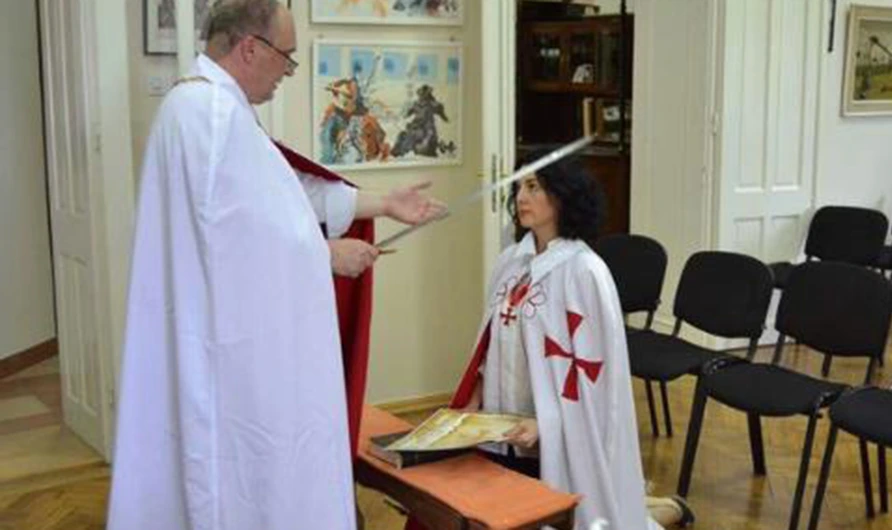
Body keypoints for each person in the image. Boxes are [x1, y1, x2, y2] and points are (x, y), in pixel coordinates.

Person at [106, 2, 444, 530]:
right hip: (232, 350)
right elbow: (237, 242)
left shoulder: (209, 107)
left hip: (217, 332)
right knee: (249, 469)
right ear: (249, 48)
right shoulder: (210, 115)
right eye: (286, 58)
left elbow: (279, 200)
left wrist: (382, 203)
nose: (288, 73)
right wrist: (328, 256)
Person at [409, 151, 693, 530]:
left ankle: (663, 510)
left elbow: (593, 378)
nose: (521, 197)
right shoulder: (510, 261)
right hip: (501, 430)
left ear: (562, 195)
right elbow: (490, 341)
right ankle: (654, 507)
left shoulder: (584, 272)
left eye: (534, 186)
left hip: (548, 437)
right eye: (518, 187)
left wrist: (545, 424)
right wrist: (474, 401)